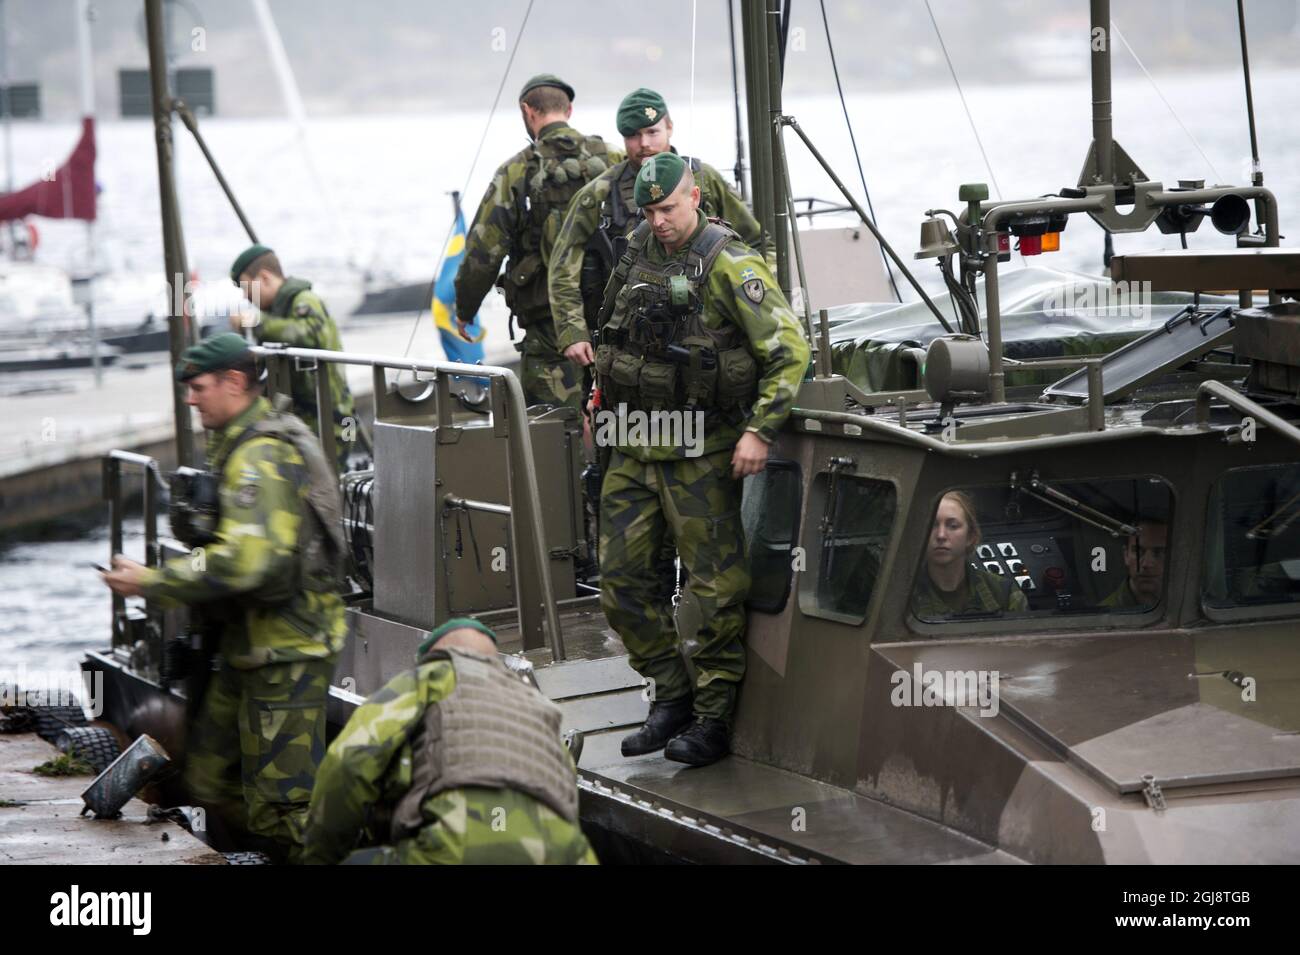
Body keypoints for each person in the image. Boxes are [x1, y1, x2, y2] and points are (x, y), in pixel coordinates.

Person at [597, 153, 810, 767]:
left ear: (695, 197)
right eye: (649, 211)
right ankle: (670, 694)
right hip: (634, 438)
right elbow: (613, 331)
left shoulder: (729, 262)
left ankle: (713, 717)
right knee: (621, 581)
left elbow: (790, 351)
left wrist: (760, 432)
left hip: (700, 446)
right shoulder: (638, 248)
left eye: (668, 208)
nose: (658, 221)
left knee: (715, 587)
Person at [100, 333, 347, 863]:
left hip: (287, 649)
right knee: (208, 778)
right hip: (246, 643)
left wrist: (153, 582)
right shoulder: (239, 440)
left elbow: (248, 559)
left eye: (199, 387)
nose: (190, 399)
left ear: (235, 383)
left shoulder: (261, 453)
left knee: (283, 808)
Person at [299, 618, 597, 865]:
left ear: (435, 657)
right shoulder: (538, 706)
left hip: (458, 847)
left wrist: (320, 856)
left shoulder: (431, 678)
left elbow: (349, 763)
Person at [549, 87, 774, 372]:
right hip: (629, 336)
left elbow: (758, 242)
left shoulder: (704, 181)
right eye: (632, 136)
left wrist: (759, 304)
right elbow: (562, 266)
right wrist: (573, 332)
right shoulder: (599, 194)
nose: (644, 143)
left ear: (669, 127)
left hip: (707, 332)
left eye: (652, 132)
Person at [454, 74, 618, 412]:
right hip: (614, 316)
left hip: (550, 326)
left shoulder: (516, 172)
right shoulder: (613, 160)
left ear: (528, 112)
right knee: (621, 416)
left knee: (554, 426)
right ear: (569, 109)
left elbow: (483, 253)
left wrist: (465, 310)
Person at [230, 243, 358, 475]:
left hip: (334, 423)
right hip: (304, 420)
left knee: (327, 486)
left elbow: (305, 335)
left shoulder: (304, 301)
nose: (246, 297)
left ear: (265, 278)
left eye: (247, 288)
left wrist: (255, 322)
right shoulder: (276, 312)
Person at [910, 491, 1030, 619]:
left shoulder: (1003, 593)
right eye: (932, 525)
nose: (941, 535)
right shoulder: (903, 597)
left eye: (953, 526)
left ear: (970, 536)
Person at [1099, 520, 1167, 608]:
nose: (1147, 564)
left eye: (1160, 552)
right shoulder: (1103, 614)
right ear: (1126, 555)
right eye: (1138, 551)